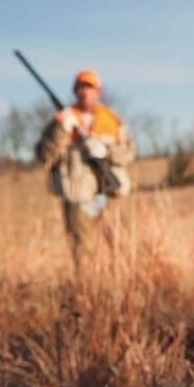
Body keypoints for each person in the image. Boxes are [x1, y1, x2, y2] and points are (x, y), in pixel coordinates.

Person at [35, 69, 135, 266]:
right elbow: (43, 155)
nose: (84, 92)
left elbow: (128, 153)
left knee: (120, 245)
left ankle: (118, 288)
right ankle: (86, 291)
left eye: (89, 87)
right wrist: (61, 131)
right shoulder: (62, 120)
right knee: (83, 249)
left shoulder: (111, 119)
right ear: (74, 91)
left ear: (98, 92)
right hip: (78, 195)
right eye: (80, 87)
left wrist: (105, 150)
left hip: (111, 195)